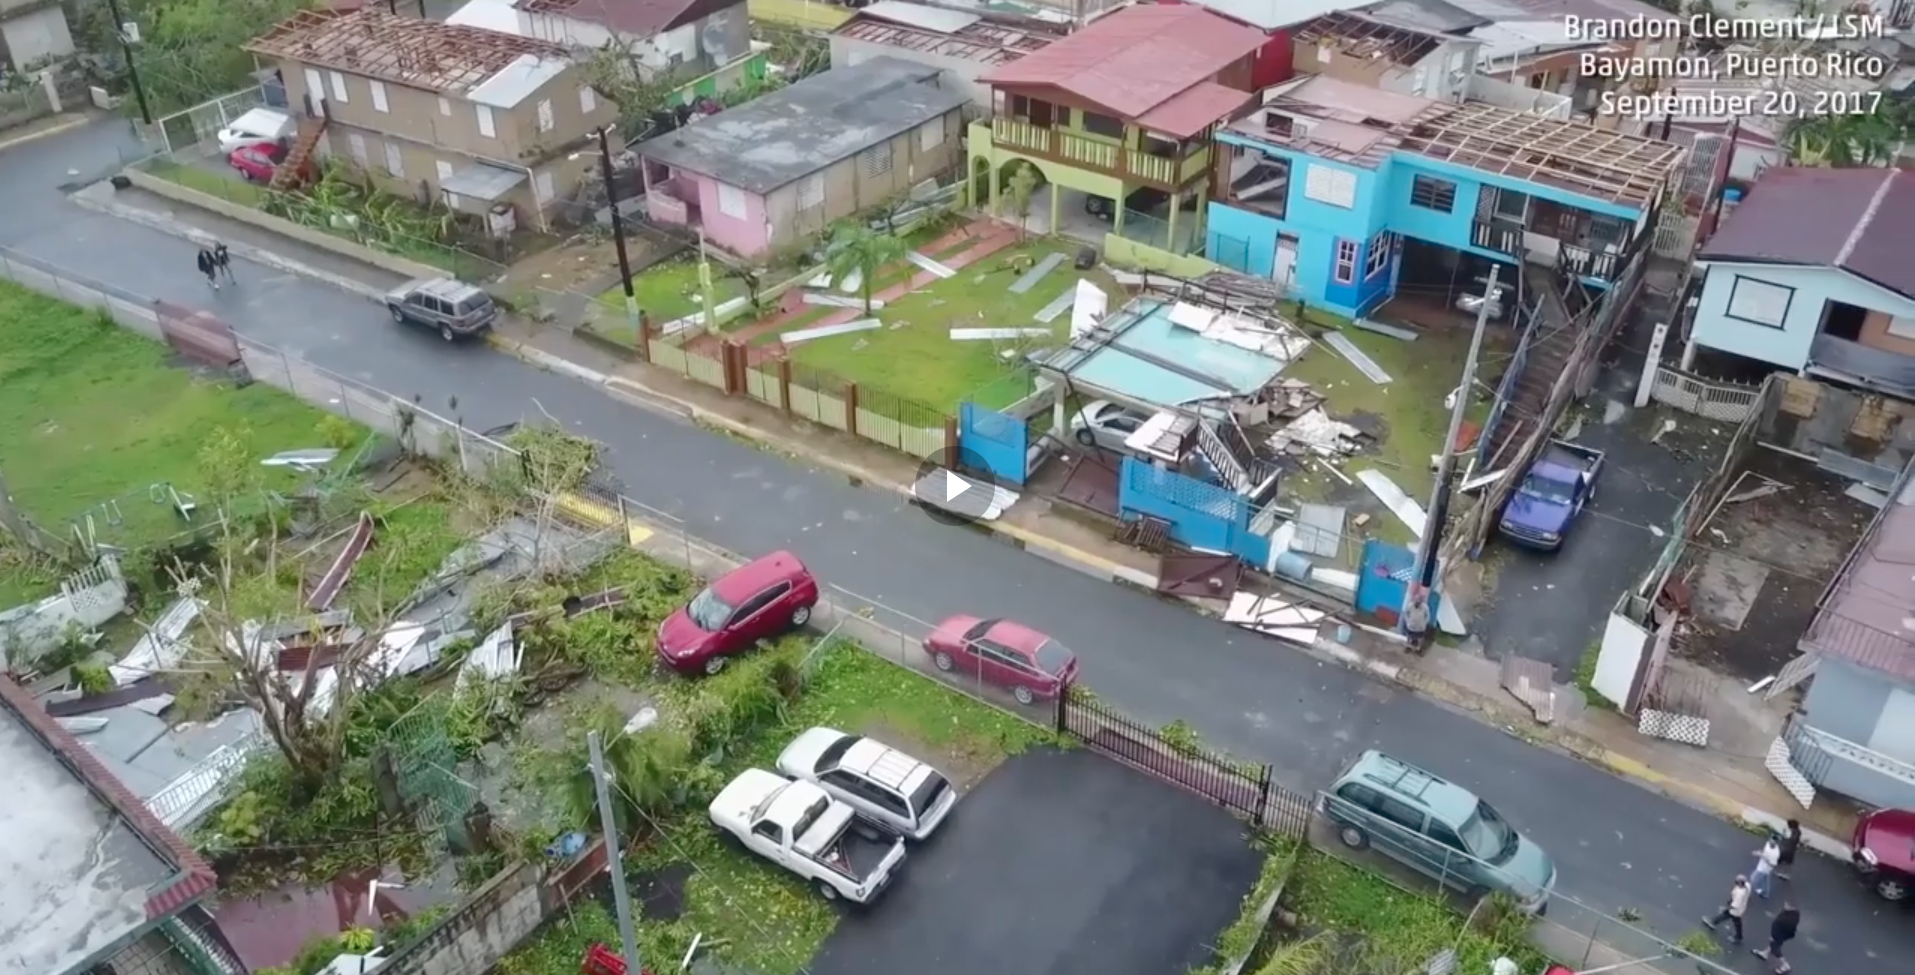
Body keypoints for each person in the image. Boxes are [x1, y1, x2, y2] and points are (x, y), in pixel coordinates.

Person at [1753, 901, 1799, 972]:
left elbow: (1783, 928)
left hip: (1778, 935)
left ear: (1792, 907)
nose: (1785, 906)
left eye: (1787, 905)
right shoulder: (1790, 913)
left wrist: (1774, 936)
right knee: (1772, 944)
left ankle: (1786, 965)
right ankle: (1765, 953)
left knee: (1775, 949)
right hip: (1778, 934)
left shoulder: (1790, 919)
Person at [1703, 874, 1750, 942]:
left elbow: (1734, 905)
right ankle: (1739, 936)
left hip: (1735, 910)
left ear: (1740, 883)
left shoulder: (1740, 894)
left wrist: (1726, 908)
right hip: (1741, 908)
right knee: (1736, 921)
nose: (1735, 882)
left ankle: (1713, 922)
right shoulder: (1747, 886)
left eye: (1736, 882)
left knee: (1727, 915)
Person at [1751, 834, 1780, 899]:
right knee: (1766, 881)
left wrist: (1763, 857)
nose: (1771, 842)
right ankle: (1766, 893)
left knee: (1753, 879)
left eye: (1773, 841)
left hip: (1764, 869)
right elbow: (1764, 851)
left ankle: (1757, 889)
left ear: (1776, 843)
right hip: (1762, 866)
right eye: (1771, 840)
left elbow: (1773, 864)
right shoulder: (1767, 844)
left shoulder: (1775, 853)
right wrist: (1758, 852)